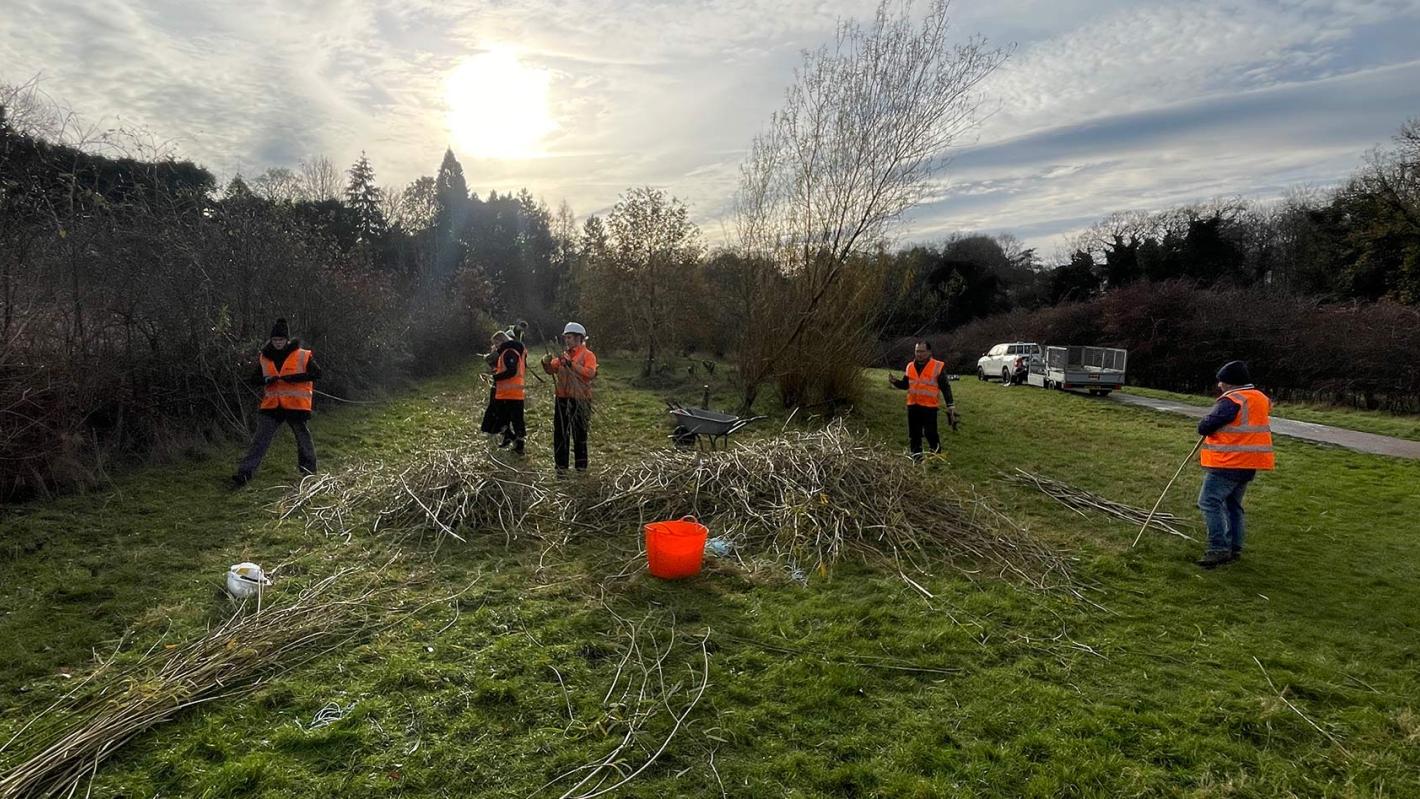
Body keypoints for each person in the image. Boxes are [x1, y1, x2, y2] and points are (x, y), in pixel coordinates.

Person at [1195, 360, 1274, 569]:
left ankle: (1218, 549)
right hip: (1249, 463)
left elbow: (1206, 425)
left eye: (1222, 381)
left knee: (1209, 502)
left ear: (1231, 382)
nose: (1219, 386)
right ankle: (1235, 547)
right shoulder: (1260, 398)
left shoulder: (1232, 400)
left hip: (1229, 462)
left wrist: (1204, 424)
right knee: (1233, 505)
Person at [232, 318, 320, 487]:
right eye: (275, 340)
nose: (277, 343)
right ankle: (244, 474)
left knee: (303, 439)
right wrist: (266, 380)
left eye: (280, 340)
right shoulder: (265, 357)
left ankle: (308, 472)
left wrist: (295, 378)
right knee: (260, 440)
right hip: (272, 406)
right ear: (271, 340)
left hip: (295, 406)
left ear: (287, 340)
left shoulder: (302, 355)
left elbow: (317, 373)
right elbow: (254, 379)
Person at [541, 322, 597, 472]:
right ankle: (561, 468)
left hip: (581, 400)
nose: (567, 340)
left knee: (579, 436)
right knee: (560, 435)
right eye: (565, 337)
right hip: (562, 400)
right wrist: (545, 363)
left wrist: (571, 365)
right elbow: (551, 369)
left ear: (579, 338)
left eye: (569, 337)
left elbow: (590, 373)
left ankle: (581, 469)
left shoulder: (588, 355)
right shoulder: (563, 356)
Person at [888, 340, 956, 461]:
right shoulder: (910, 366)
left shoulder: (937, 366)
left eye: (922, 351)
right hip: (913, 405)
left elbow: (945, 387)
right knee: (914, 435)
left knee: (931, 434)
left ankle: (935, 458)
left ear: (929, 352)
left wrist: (950, 404)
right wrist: (895, 382)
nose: (919, 354)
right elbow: (906, 385)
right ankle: (916, 459)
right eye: (917, 351)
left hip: (929, 407)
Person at [485, 329, 527, 454]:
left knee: (516, 420)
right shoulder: (505, 352)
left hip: (513, 393)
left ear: (502, 341)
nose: (495, 346)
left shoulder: (509, 352)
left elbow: (511, 371)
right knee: (502, 419)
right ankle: (510, 437)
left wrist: (496, 377)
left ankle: (519, 444)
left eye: (496, 343)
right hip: (504, 393)